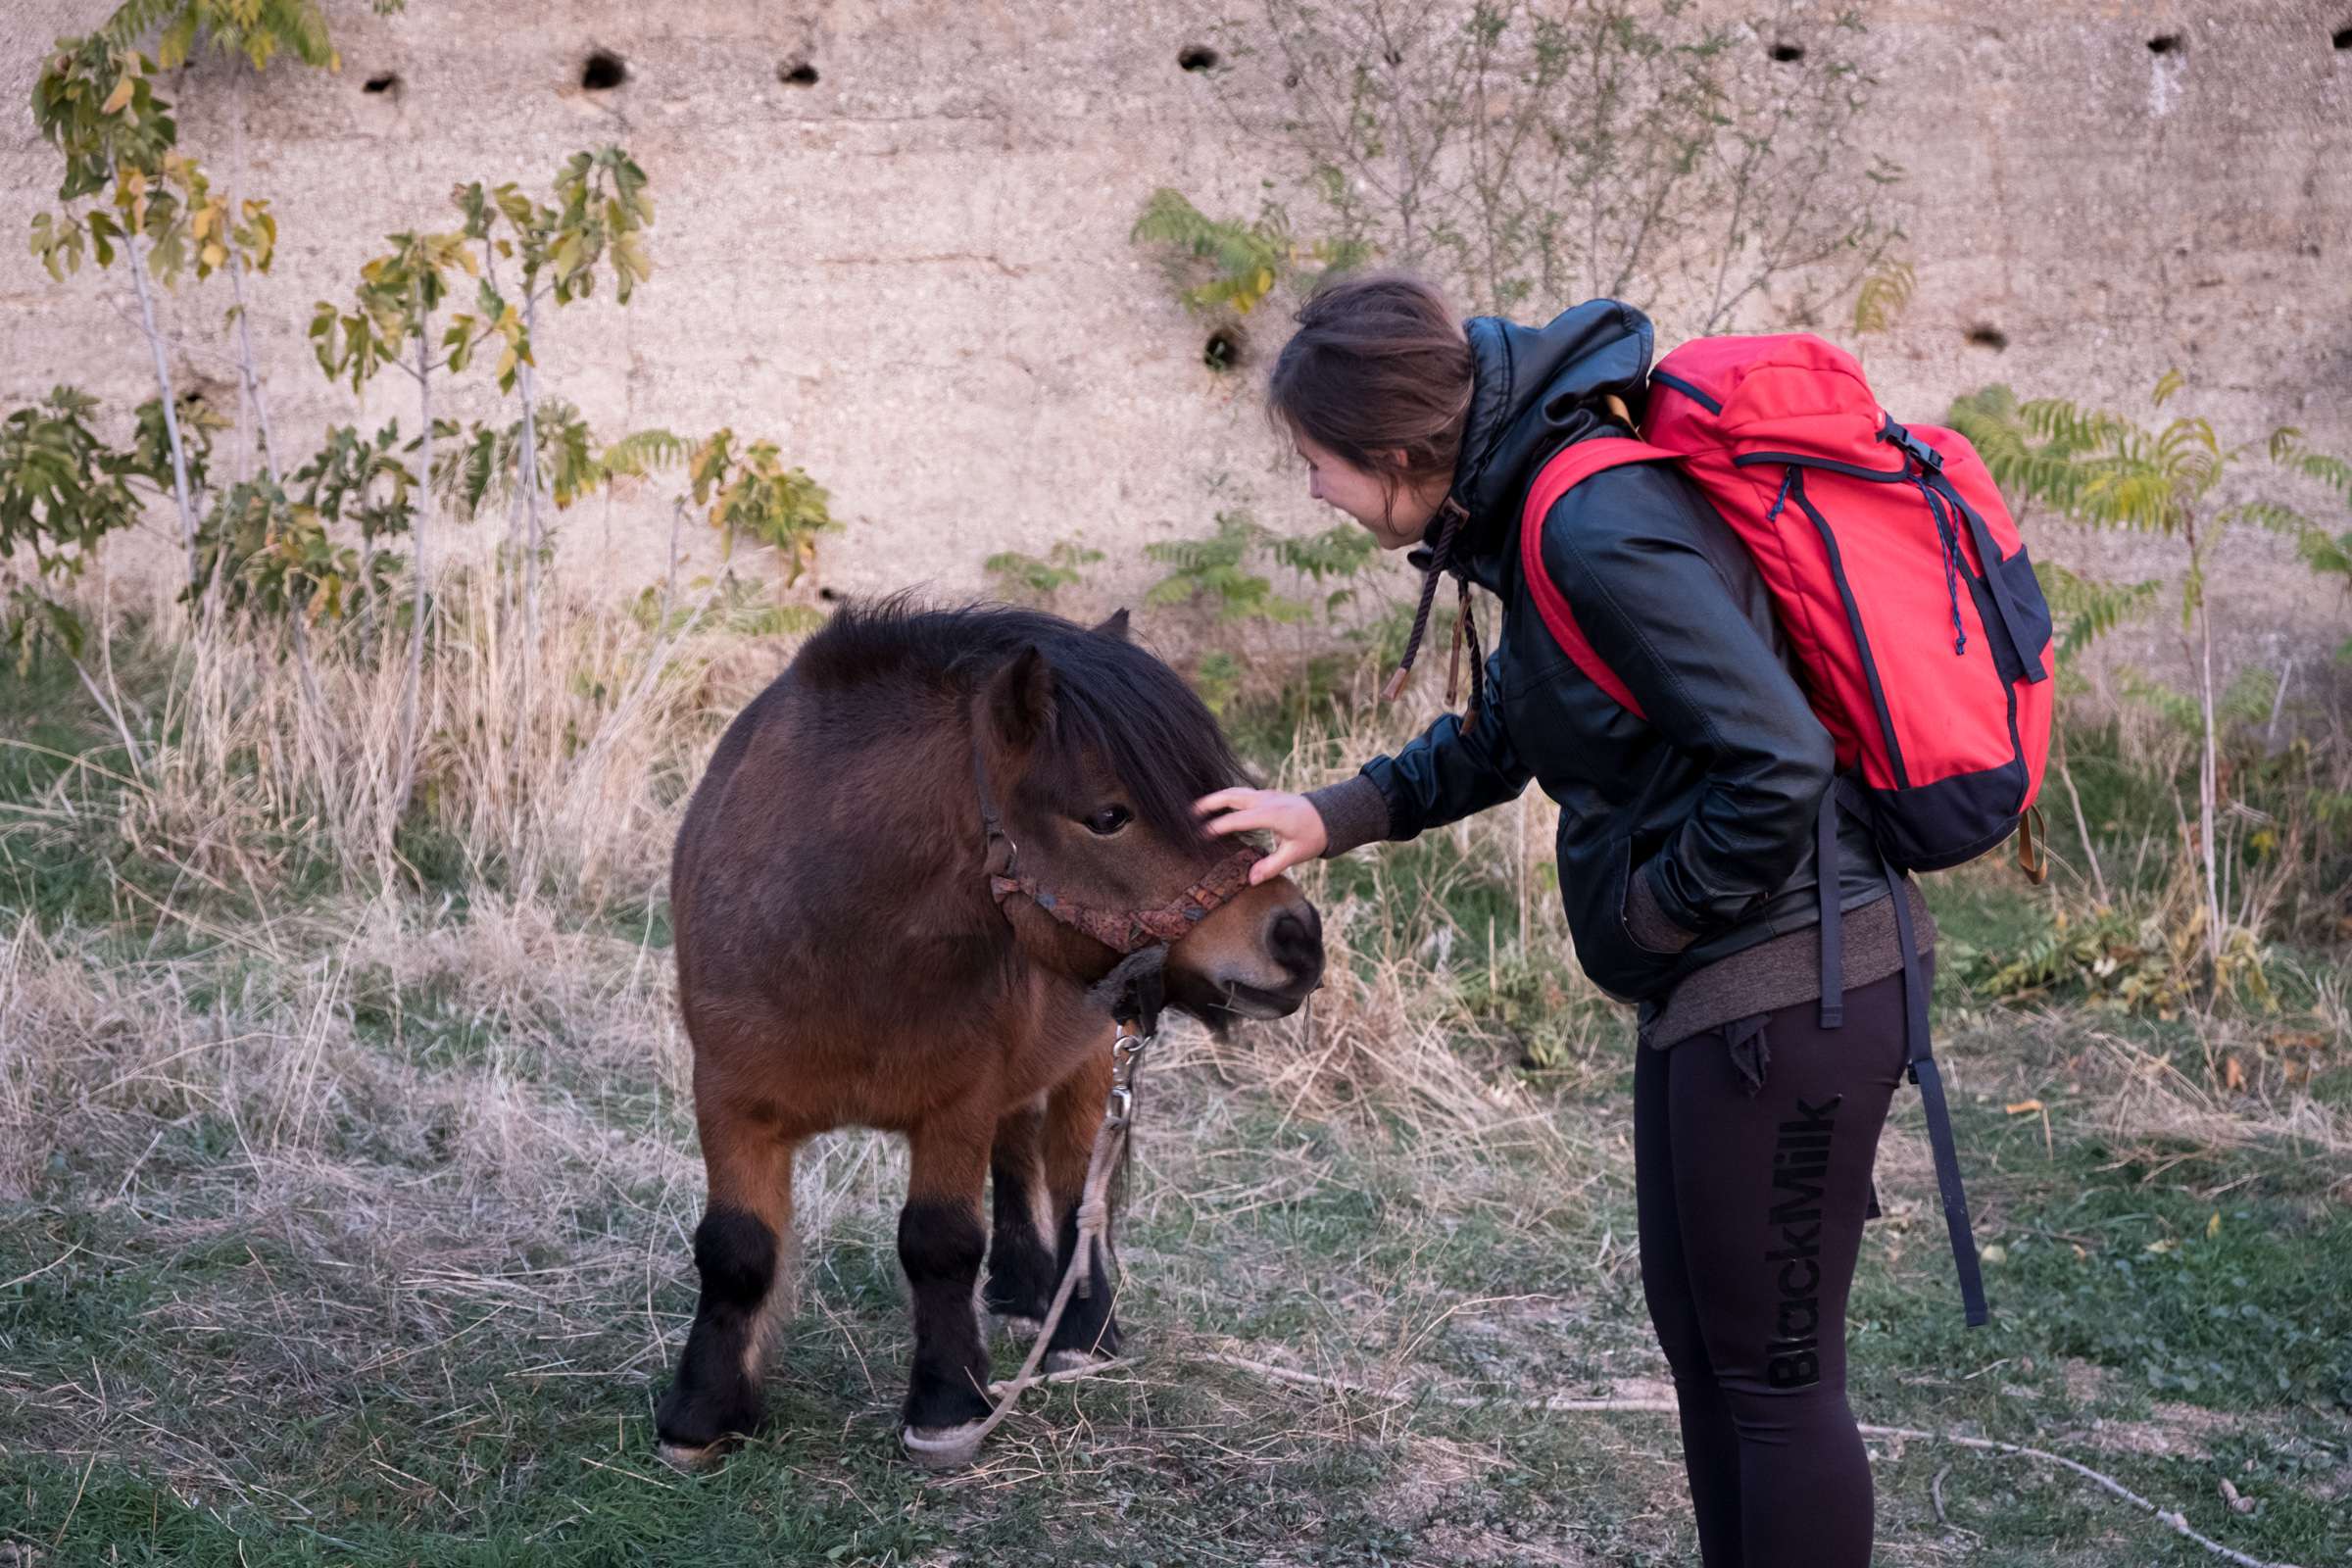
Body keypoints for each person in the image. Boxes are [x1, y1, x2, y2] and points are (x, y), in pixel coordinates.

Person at [1193, 273, 1936, 1568]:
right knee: (1710, 1356)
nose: (1311, 489)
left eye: (1316, 464)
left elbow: (1778, 760)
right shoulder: (1536, 511)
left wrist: (1652, 917)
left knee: (1773, 1382)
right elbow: (1517, 729)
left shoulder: (1592, 520)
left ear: (1400, 454)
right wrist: (1335, 810)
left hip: (1793, 986)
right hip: (1723, 991)